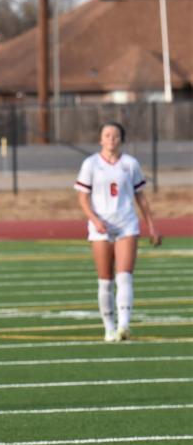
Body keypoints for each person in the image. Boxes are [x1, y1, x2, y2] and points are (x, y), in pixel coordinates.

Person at [75, 121, 162, 342]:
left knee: (124, 277)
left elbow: (140, 196)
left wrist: (151, 225)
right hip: (101, 227)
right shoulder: (91, 164)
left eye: (115, 135)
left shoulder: (130, 164)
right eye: (107, 135)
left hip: (126, 224)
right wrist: (95, 220)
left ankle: (124, 325)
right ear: (100, 139)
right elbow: (82, 197)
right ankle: (109, 328)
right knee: (105, 280)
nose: (111, 139)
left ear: (121, 139)